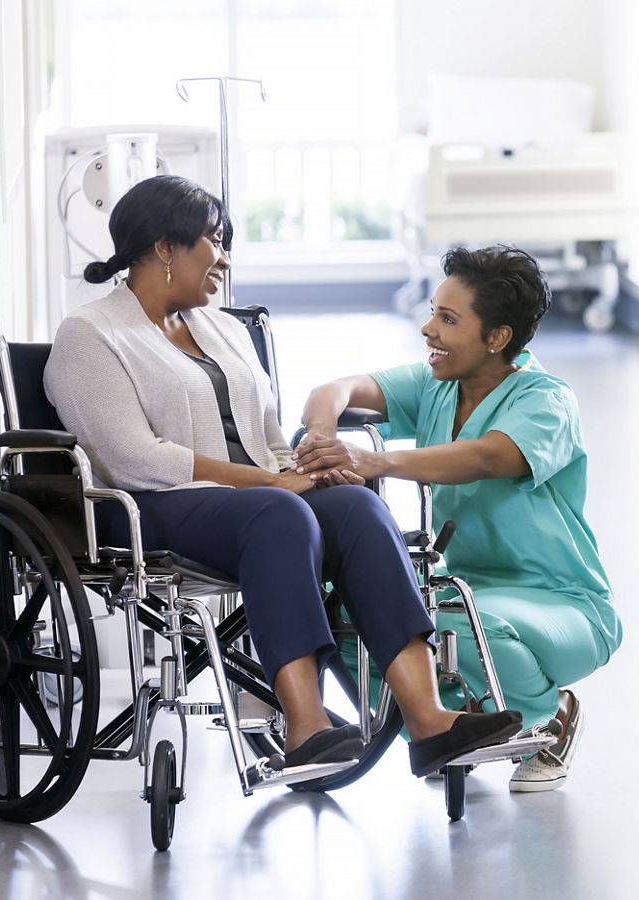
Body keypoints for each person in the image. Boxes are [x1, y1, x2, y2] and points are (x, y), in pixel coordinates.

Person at [43, 175, 521, 779]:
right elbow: (135, 457)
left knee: (358, 507)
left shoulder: (223, 327)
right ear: (165, 247)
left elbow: (268, 436)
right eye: (214, 241)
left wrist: (308, 470)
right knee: (281, 513)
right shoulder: (89, 335)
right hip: (147, 507)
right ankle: (305, 726)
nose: (224, 258)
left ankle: (428, 720)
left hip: (257, 502)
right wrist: (273, 485)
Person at [296, 245, 622, 792]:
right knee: (344, 617)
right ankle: (450, 730)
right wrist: (323, 437)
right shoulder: (437, 383)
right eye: (432, 312)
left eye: (448, 319)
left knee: (451, 622)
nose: (428, 329)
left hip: (561, 601)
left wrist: (375, 461)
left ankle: (551, 715)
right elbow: (335, 390)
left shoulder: (546, 400)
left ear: (497, 338)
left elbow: (489, 457)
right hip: (466, 589)